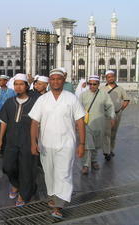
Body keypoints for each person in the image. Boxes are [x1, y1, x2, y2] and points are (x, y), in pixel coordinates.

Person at [29, 68, 86, 219]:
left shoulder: (71, 98)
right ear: (49, 81)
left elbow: (80, 121)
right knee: (49, 173)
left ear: (63, 80)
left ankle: (59, 206)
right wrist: (33, 142)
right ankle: (53, 196)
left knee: (64, 173)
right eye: (52, 79)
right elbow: (34, 122)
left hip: (66, 144)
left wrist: (82, 144)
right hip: (46, 144)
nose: (55, 81)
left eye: (58, 79)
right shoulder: (43, 99)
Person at [0, 73, 37, 207]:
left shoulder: (34, 102)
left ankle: (23, 194)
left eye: (21, 84)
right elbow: (4, 122)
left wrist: (36, 142)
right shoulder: (9, 102)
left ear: (26, 86)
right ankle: (15, 183)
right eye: (16, 84)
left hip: (27, 140)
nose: (18, 87)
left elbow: (38, 123)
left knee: (26, 168)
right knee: (7, 166)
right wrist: (0, 139)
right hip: (11, 140)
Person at [79, 75, 115, 174]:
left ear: (98, 84)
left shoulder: (104, 94)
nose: (92, 86)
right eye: (90, 84)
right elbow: (78, 109)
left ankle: (94, 160)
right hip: (87, 124)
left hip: (100, 123)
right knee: (87, 145)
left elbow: (110, 106)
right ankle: (86, 165)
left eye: (94, 84)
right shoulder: (83, 95)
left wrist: (112, 116)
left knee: (95, 144)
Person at [101, 70, 130, 160]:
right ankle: (106, 152)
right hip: (106, 115)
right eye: (108, 77)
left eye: (112, 76)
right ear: (106, 78)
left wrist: (121, 109)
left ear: (114, 77)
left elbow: (126, 100)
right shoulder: (102, 89)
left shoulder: (120, 89)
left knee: (113, 132)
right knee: (106, 133)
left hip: (117, 114)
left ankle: (111, 149)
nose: (110, 78)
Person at [0, 75, 16, 155]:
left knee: (8, 134)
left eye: (2, 80)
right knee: (0, 133)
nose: (0, 82)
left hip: (9, 116)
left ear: (6, 81)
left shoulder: (11, 92)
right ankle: (1, 149)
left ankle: (8, 150)